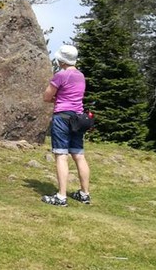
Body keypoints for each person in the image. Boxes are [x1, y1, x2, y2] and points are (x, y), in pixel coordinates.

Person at [41, 45, 91, 207]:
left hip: (62, 117)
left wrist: (58, 99)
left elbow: (47, 97)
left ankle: (61, 197)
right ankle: (84, 194)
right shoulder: (81, 76)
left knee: (61, 155)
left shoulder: (60, 76)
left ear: (61, 60)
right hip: (77, 118)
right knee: (79, 155)